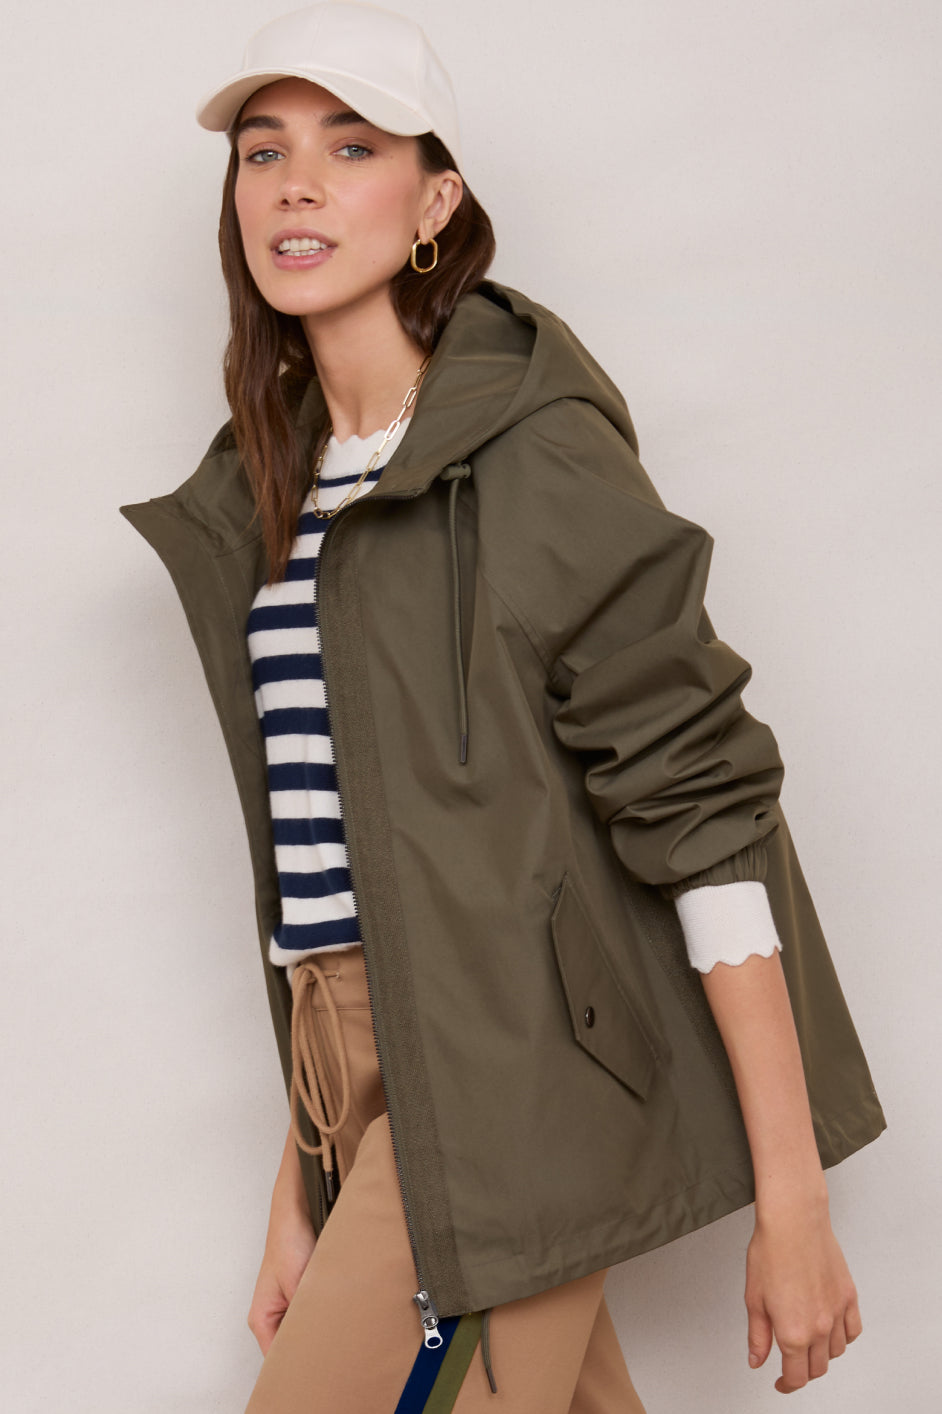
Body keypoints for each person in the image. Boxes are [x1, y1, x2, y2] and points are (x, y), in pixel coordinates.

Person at [121, 5, 885, 1410]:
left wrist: (794, 1200)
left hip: (511, 1084)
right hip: (352, 1072)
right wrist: (304, 1179)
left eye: (353, 147)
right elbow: (345, 862)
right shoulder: (273, 483)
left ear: (436, 202)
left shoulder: (531, 450)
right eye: (263, 151)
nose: (295, 185)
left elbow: (700, 811)